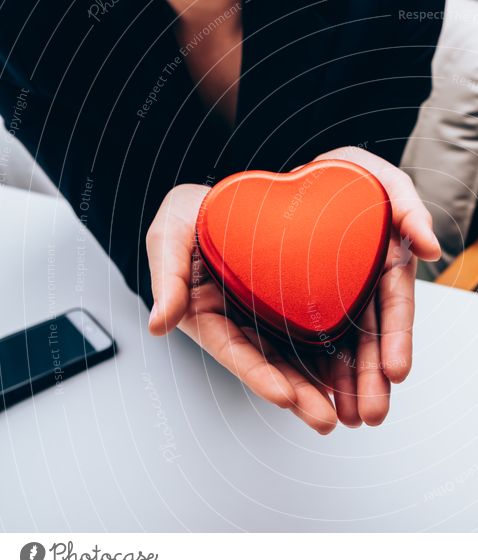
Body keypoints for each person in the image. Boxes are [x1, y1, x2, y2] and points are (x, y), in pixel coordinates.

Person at [0, 0, 445, 433]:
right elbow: (122, 216)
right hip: (161, 376)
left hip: (336, 338)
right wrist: (185, 228)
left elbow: (356, 212)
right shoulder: (26, 27)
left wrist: (354, 178)